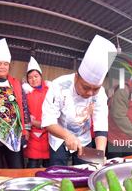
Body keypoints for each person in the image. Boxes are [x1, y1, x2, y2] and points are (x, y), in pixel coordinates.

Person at [42, 35, 117, 166]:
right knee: (58, 171)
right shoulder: (58, 85)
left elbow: (101, 123)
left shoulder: (101, 93)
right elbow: (48, 121)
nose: (90, 93)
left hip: (84, 138)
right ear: (76, 77)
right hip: (58, 137)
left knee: (85, 170)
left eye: (95, 89)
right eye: (86, 87)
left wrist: (100, 153)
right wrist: (67, 136)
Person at [0, 38, 29, 168]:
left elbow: (23, 107)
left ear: (9, 66)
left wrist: (25, 130)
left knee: (17, 169)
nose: (2, 67)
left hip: (15, 134)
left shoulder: (16, 84)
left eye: (5, 64)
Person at [23, 56, 51, 168]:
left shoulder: (50, 90)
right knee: (32, 165)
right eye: (30, 78)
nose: (33, 79)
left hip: (48, 132)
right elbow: (22, 111)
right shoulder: (25, 93)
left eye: (36, 76)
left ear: (41, 76)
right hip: (32, 134)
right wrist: (30, 122)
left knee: (48, 166)